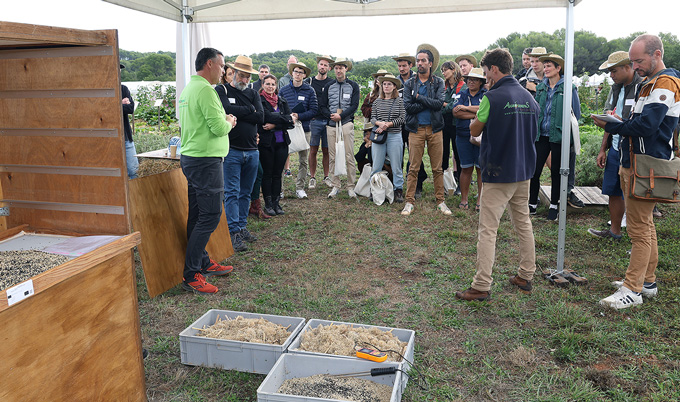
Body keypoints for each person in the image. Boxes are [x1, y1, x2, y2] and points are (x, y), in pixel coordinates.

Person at [593, 34, 680, 309]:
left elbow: (647, 126)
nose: (635, 66)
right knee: (645, 225)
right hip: (638, 162)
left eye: (638, 60)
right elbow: (640, 122)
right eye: (632, 61)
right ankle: (648, 281)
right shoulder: (649, 83)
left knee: (639, 229)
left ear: (656, 55)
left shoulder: (664, 82)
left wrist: (614, 127)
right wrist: (620, 122)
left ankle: (633, 289)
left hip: (647, 164)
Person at [455, 48, 539, 301]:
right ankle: (526, 274)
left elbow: (475, 127)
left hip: (498, 170)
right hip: (524, 170)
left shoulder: (492, 97)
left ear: (493, 69)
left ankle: (481, 285)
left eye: (486, 71)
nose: (486, 77)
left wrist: (474, 117)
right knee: (523, 223)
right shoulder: (529, 97)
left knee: (488, 229)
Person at [177, 47, 236, 294]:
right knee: (210, 216)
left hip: (193, 157)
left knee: (198, 214)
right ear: (210, 64)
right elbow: (218, 128)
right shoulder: (206, 91)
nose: (223, 71)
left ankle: (201, 261)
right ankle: (192, 274)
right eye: (222, 66)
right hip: (206, 161)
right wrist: (230, 121)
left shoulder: (189, 89)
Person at [588, 51, 642, 240]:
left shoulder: (641, 87)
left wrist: (621, 122)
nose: (611, 75)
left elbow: (640, 122)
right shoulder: (616, 88)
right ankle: (615, 232)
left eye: (614, 71)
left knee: (634, 194)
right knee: (613, 190)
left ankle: (637, 238)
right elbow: (610, 119)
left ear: (628, 68)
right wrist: (603, 148)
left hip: (633, 149)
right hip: (616, 147)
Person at [215, 55, 264, 252]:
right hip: (232, 150)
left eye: (247, 77)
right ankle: (232, 231)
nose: (244, 80)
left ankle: (241, 226)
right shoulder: (222, 90)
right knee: (232, 192)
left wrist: (238, 113)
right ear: (233, 73)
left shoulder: (253, 93)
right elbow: (225, 109)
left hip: (252, 150)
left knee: (246, 191)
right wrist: (248, 110)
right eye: (242, 76)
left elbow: (260, 116)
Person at [527, 53, 581, 221]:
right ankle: (531, 205)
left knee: (557, 172)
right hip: (541, 134)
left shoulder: (568, 88)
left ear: (559, 68)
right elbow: (537, 110)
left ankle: (554, 206)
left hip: (558, 135)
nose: (546, 68)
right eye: (545, 65)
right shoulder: (541, 87)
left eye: (550, 65)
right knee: (534, 171)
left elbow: (576, 113)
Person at [401, 44, 451, 216]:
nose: (420, 63)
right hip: (415, 129)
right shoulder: (409, 84)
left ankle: (440, 201)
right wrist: (425, 102)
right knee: (413, 167)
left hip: (435, 129)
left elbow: (438, 105)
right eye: (418, 60)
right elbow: (408, 107)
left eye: (423, 60)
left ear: (430, 63)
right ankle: (409, 202)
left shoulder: (438, 82)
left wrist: (418, 98)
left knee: (437, 168)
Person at [318, 57, 360, 198]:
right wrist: (330, 115)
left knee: (349, 156)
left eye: (341, 67)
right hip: (331, 125)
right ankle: (335, 185)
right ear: (333, 69)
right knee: (332, 156)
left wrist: (341, 116)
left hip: (346, 123)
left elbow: (354, 106)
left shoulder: (353, 86)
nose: (338, 70)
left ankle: (350, 186)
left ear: (346, 69)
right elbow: (322, 105)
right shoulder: (329, 86)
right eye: (336, 68)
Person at [279, 62, 318, 199]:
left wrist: (299, 116)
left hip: (304, 128)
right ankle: (280, 190)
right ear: (292, 73)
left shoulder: (309, 90)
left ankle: (300, 188)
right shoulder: (283, 90)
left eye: (301, 72)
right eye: (296, 71)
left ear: (305, 75)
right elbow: (279, 108)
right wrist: (288, 117)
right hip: (287, 129)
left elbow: (314, 110)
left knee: (303, 160)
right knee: (282, 158)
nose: (298, 74)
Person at [259, 74, 295, 216]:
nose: (270, 87)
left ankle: (276, 202)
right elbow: (264, 117)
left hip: (282, 142)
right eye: (267, 84)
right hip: (267, 143)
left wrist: (274, 124)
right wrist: (284, 119)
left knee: (277, 174)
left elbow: (290, 121)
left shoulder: (282, 101)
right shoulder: (260, 101)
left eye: (273, 84)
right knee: (267, 174)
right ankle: (268, 204)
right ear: (262, 85)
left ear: (276, 86)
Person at [394, 52, 427, 198]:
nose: (401, 68)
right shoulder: (395, 81)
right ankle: (399, 186)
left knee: (415, 155)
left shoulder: (418, 80)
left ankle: (418, 185)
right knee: (398, 155)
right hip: (398, 123)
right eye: (399, 66)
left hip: (414, 121)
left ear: (410, 65)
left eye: (404, 65)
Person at [453, 67, 487, 211]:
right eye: (469, 79)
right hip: (462, 135)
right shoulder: (461, 93)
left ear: (481, 82)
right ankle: (464, 199)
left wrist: (466, 108)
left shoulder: (486, 94)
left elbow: (487, 111)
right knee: (465, 168)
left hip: (482, 137)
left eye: (474, 80)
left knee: (480, 169)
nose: (471, 82)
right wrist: (477, 112)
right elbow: (456, 112)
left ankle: (480, 199)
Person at [371, 74, 406, 203]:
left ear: (394, 87)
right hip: (379, 136)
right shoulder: (376, 102)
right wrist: (380, 124)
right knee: (377, 164)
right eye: (384, 84)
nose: (386, 86)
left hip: (395, 136)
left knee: (396, 165)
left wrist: (388, 124)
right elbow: (373, 118)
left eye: (389, 84)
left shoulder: (399, 101)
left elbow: (402, 118)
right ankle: (374, 188)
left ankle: (398, 190)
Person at [306, 55, 334, 189]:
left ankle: (326, 176)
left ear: (329, 68)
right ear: (318, 65)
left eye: (326, 65)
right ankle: (312, 177)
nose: (323, 67)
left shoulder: (332, 83)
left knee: (327, 150)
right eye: (321, 64)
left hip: (328, 121)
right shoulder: (309, 82)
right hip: (314, 120)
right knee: (313, 149)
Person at [441, 60, 465, 194]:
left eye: (446, 70)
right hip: (444, 124)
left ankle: (461, 186)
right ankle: (445, 184)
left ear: (453, 70)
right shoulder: (443, 86)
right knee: (443, 154)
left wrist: (445, 105)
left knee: (458, 154)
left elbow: (455, 107)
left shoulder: (462, 86)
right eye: (442, 70)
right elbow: (439, 103)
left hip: (457, 124)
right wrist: (447, 105)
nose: (444, 73)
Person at [120, 64, 138, 179]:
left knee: (133, 170)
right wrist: (120, 104)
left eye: (119, 70)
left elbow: (131, 109)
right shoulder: (102, 90)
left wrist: (118, 106)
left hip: (126, 137)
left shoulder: (123, 89)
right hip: (111, 140)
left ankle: (133, 196)